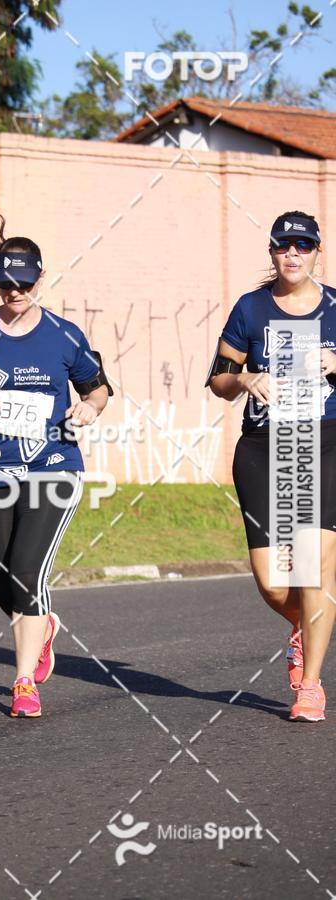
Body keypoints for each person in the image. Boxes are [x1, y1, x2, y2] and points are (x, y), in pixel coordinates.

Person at [0, 216, 111, 717]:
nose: (15, 291)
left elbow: (98, 388)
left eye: (24, 282)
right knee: (2, 579)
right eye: (6, 283)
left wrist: (89, 408)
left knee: (28, 570)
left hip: (54, 467)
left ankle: (22, 683)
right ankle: (44, 623)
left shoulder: (64, 335)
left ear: (40, 279)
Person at [207, 210, 336, 723]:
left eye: (303, 246)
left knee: (315, 564)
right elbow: (218, 378)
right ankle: (307, 626)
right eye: (285, 246)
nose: (293, 254)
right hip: (263, 444)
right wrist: (245, 381)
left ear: (315, 252)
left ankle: (309, 687)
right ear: (273, 252)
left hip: (326, 441)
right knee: (272, 580)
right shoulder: (251, 308)